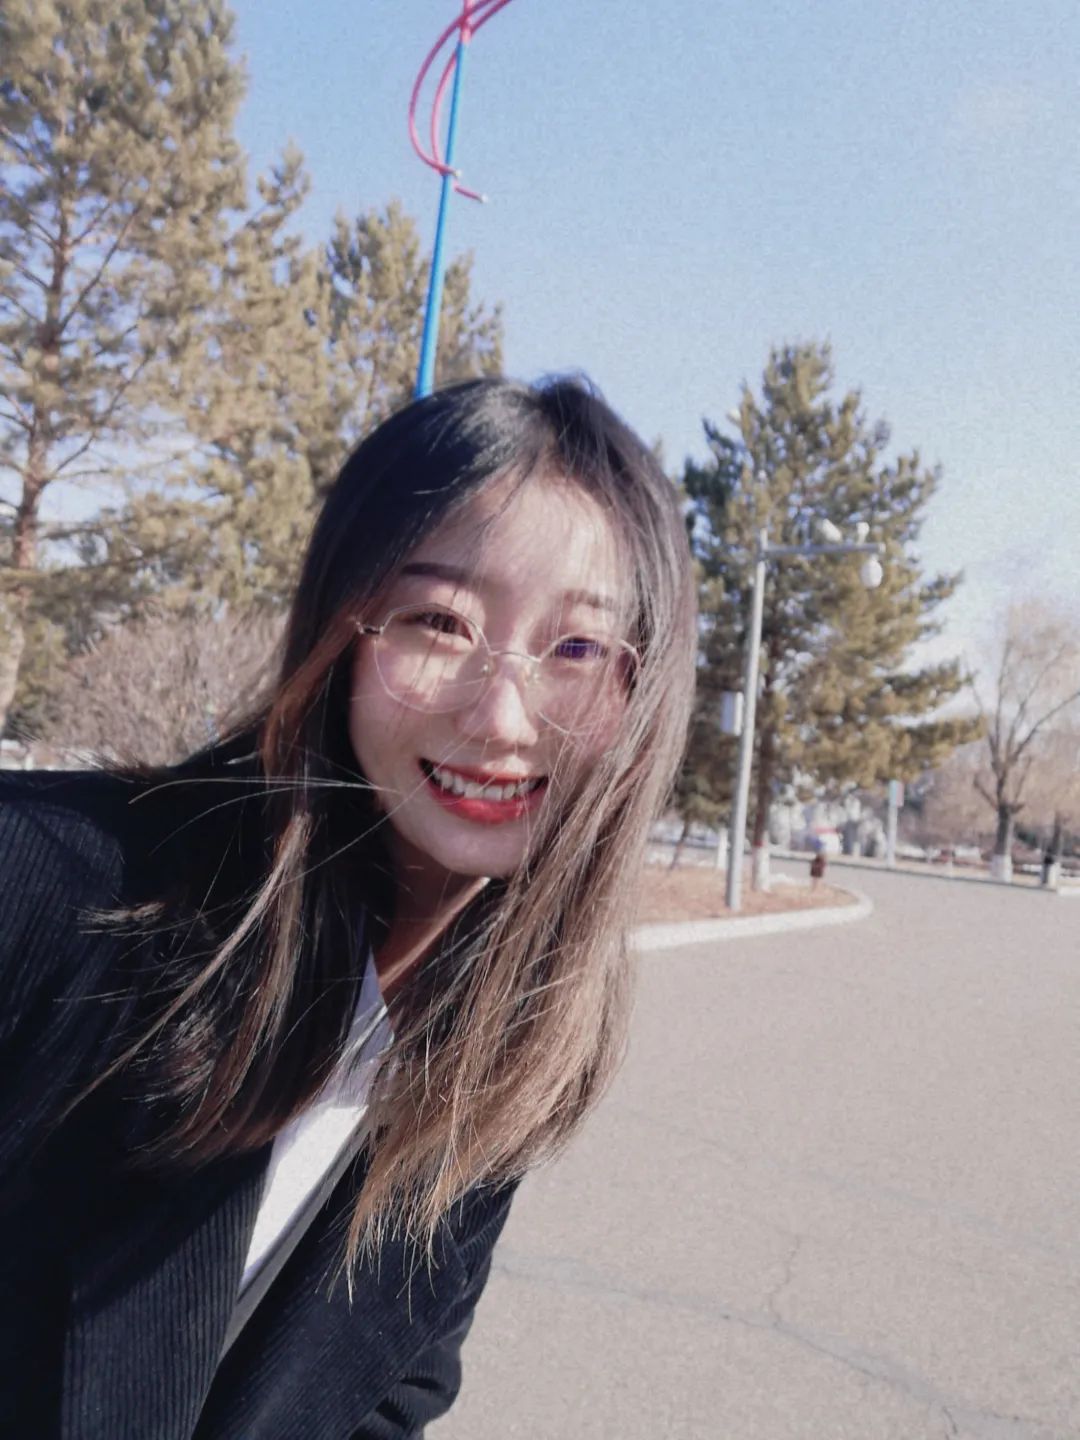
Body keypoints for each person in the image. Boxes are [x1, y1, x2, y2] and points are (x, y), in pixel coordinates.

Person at [0, 377, 696, 1438]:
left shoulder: (506, 1026)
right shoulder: (48, 881)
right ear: (343, 628)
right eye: (440, 621)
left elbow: (395, 1387)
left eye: (578, 650)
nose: (502, 718)